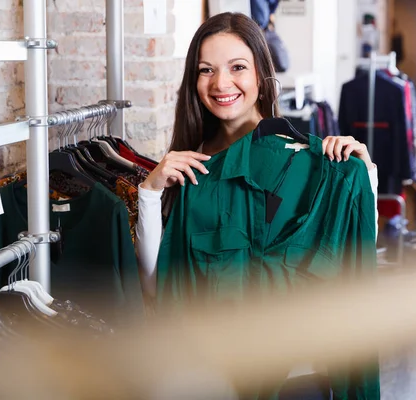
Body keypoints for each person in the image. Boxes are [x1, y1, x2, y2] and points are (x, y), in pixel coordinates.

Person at [135, 12, 380, 399]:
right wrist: (150, 193)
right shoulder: (191, 172)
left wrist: (364, 175)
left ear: (261, 75)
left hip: (302, 382)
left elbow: (358, 274)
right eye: (206, 70)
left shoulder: (325, 169)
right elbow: (158, 289)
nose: (221, 83)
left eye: (237, 67)